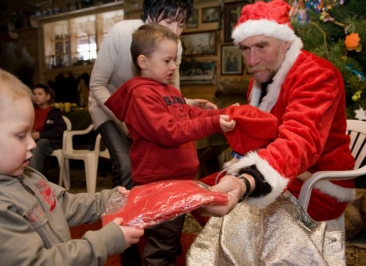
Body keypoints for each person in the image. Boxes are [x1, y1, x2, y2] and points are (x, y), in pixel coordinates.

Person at [0, 62, 144, 266]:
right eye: (20, 135)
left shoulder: (27, 176)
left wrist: (110, 199)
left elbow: (63, 205)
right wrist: (104, 242)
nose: (32, 143)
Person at [202, 0, 355, 223]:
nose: (252, 61)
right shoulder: (261, 79)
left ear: (285, 43)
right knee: (197, 192)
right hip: (280, 172)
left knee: (225, 209)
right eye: (246, 49)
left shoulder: (317, 74)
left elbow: (300, 139)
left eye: (262, 47)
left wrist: (247, 181)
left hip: (317, 185)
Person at [104, 24, 236, 266]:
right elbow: (168, 131)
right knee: (162, 241)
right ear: (143, 62)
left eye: (174, 60)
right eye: (167, 61)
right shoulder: (142, 96)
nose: (173, 66)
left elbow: (189, 114)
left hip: (178, 178)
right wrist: (214, 124)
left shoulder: (168, 91)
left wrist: (220, 115)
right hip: (161, 181)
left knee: (169, 235)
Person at [89, 0, 216, 191]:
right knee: (125, 164)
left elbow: (169, 92)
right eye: (168, 22)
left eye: (180, 24)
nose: (174, 31)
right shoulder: (121, 33)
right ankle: (122, 216)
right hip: (108, 105)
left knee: (154, 165)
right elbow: (97, 84)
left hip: (147, 108)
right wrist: (125, 125)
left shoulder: (174, 45)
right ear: (149, 15)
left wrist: (190, 103)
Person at [29, 83, 66, 173]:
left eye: (40, 94)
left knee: (38, 145)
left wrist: (40, 134)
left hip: (49, 141)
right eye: (34, 94)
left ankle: (34, 179)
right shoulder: (30, 110)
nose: (36, 96)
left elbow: (60, 131)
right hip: (30, 138)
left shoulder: (54, 112)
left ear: (47, 97)